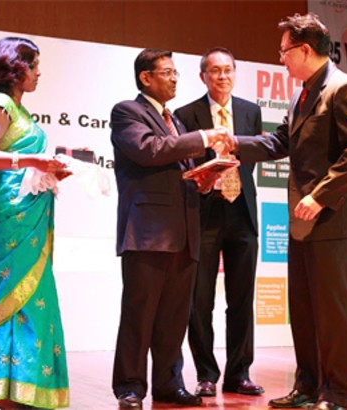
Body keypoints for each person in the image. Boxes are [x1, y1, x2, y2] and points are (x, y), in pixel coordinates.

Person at [231, 13, 347, 410]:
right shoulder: (301, 93)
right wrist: (232, 145)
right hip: (302, 221)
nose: (281, 59)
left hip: (331, 218)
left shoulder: (344, 89)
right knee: (306, 312)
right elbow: (281, 141)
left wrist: (321, 195)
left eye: (284, 52)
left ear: (305, 50)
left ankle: (339, 395)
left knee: (335, 315)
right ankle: (308, 387)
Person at [109, 48, 235, 409]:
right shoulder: (127, 112)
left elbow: (181, 167)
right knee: (139, 313)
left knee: (173, 317)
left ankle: (168, 383)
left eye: (176, 72)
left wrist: (205, 178)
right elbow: (150, 150)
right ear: (146, 77)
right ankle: (130, 387)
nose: (175, 78)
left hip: (185, 232)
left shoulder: (176, 122)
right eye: (167, 72)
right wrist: (205, 138)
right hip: (147, 231)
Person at [0, 37, 71, 410]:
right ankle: (2, 391)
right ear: (17, 67)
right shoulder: (0, 103)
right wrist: (31, 161)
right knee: (10, 299)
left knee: (32, 301)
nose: (39, 73)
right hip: (5, 222)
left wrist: (49, 172)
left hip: (28, 218)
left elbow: (21, 163)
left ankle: (23, 390)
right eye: (34, 65)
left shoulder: (21, 112)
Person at [173, 47, 265, 398]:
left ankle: (239, 373)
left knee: (241, 299)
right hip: (205, 213)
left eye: (227, 70)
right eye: (215, 71)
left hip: (242, 211)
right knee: (200, 300)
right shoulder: (186, 114)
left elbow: (251, 158)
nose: (222, 76)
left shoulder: (250, 111)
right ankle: (206, 374)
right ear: (203, 76)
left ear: (235, 74)